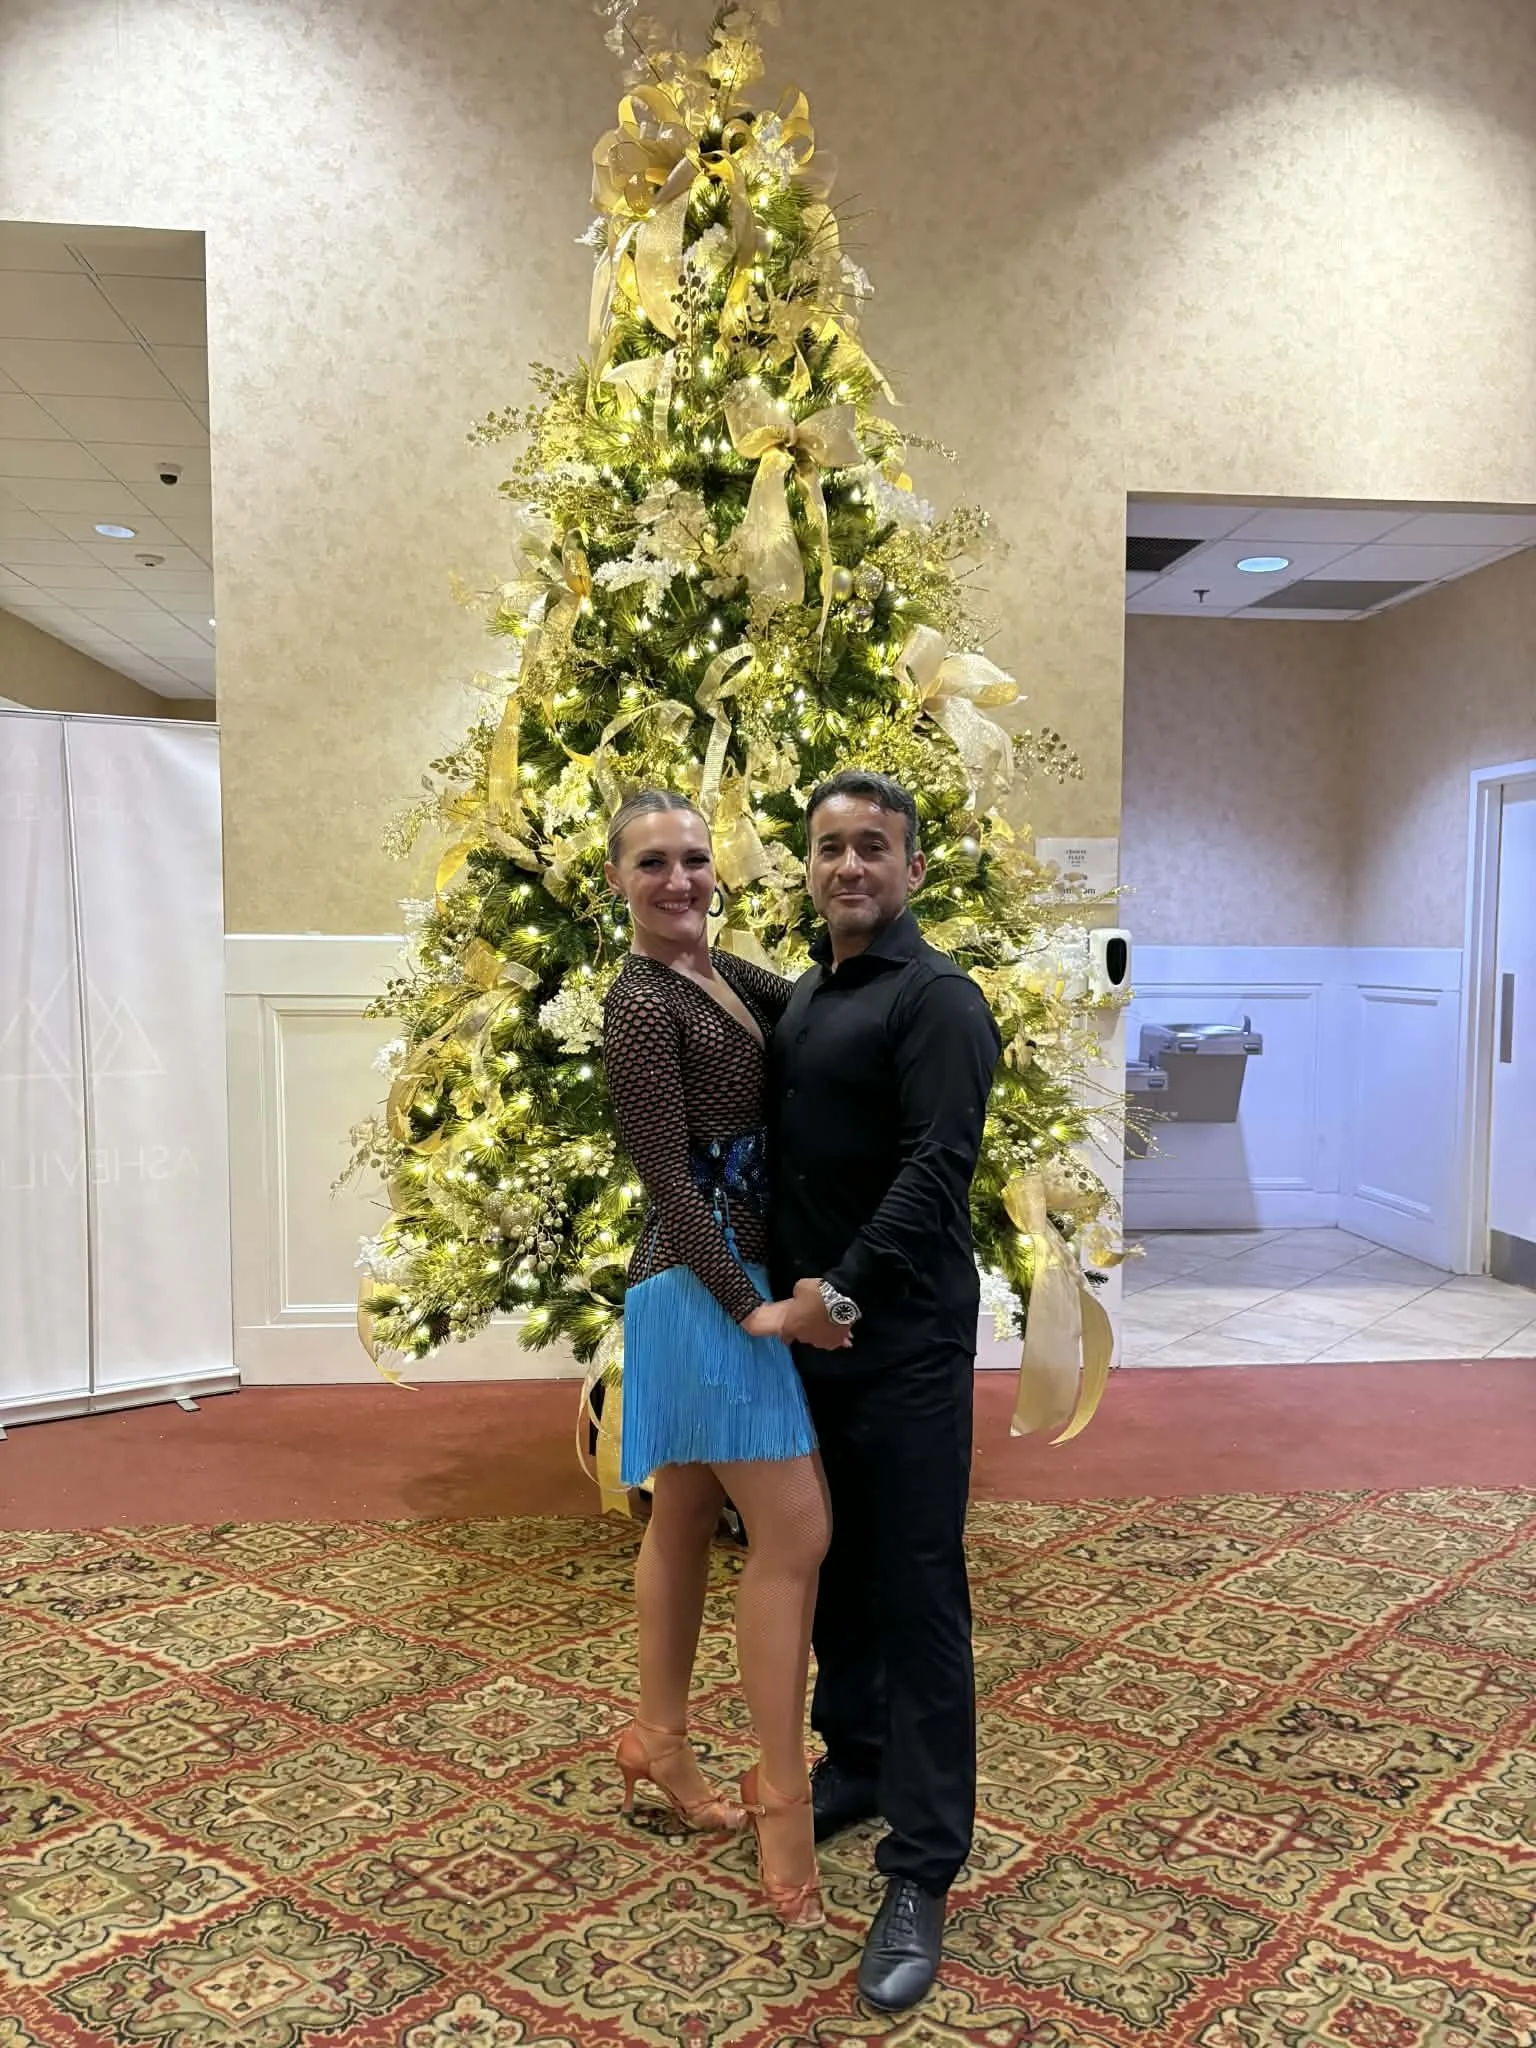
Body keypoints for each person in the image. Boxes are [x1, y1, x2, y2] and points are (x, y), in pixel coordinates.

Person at [767, 769, 1002, 2013]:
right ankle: (853, 1763)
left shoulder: (939, 999)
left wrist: (840, 1293)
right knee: (833, 1568)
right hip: (813, 1348)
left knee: (915, 1592)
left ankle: (922, 1865)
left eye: (872, 847)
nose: (849, 865)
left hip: (898, 1345)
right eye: (828, 847)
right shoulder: (807, 992)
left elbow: (936, 1172)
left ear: (911, 867)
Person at [601, 788, 846, 1930]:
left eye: (694, 859)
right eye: (652, 863)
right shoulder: (638, 1001)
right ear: (618, 881)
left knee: (686, 1514)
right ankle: (782, 1797)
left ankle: (658, 1740)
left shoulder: (721, 975)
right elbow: (669, 1181)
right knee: (795, 1529)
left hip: (712, 1288)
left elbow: (813, 1012)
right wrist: (750, 1306)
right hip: (697, 1287)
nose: (680, 880)